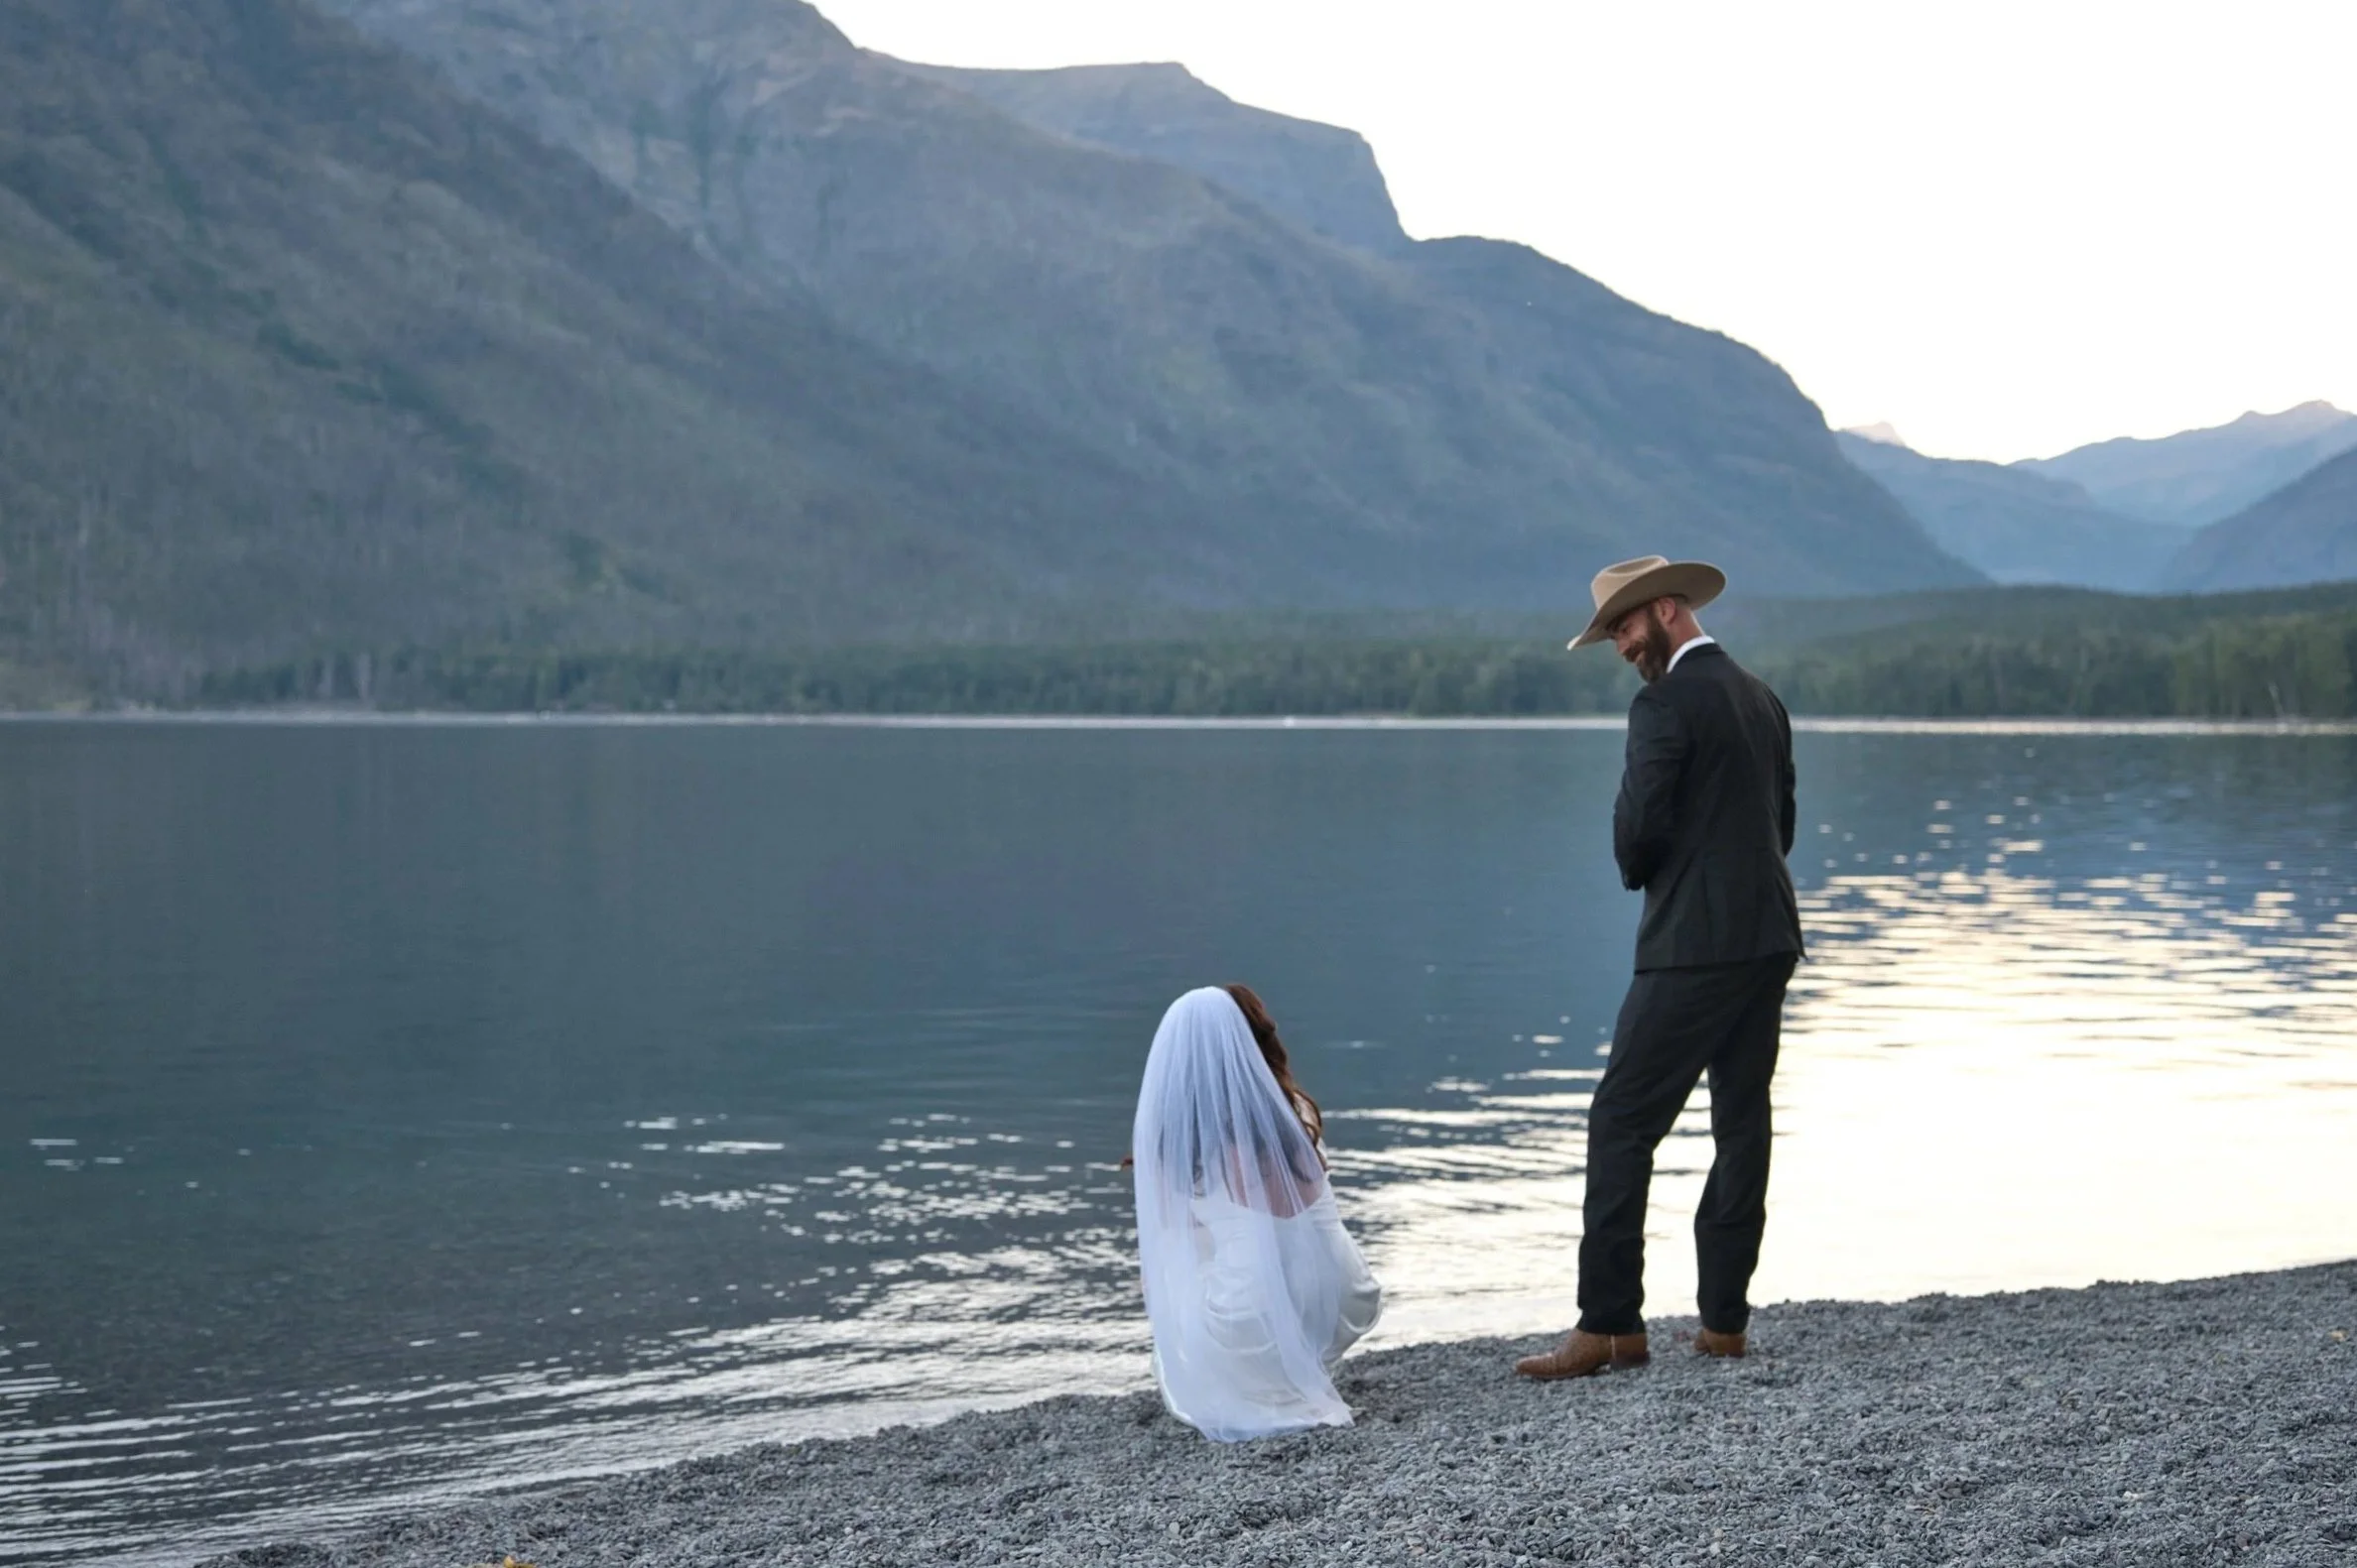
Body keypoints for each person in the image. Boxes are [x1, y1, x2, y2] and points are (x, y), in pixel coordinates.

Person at [1516, 555, 1804, 1381]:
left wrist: (1650, 866)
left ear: (1668, 610)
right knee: (1741, 1123)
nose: (1617, 644)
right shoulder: (1762, 696)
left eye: (1624, 626)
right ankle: (1723, 1324)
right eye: (1610, 631)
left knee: (1621, 1122)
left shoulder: (1663, 704)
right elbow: (1780, 824)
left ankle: (1609, 1325)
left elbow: (1637, 833)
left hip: (1692, 946)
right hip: (1769, 936)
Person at [1132, 985, 1383, 1440]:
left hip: (1247, 1322)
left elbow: (1172, 1245)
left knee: (1172, 1254)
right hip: (1343, 1293)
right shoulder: (1296, 1108)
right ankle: (1290, 1368)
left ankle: (1257, 1377)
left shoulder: (1182, 1140)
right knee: (1263, 1240)